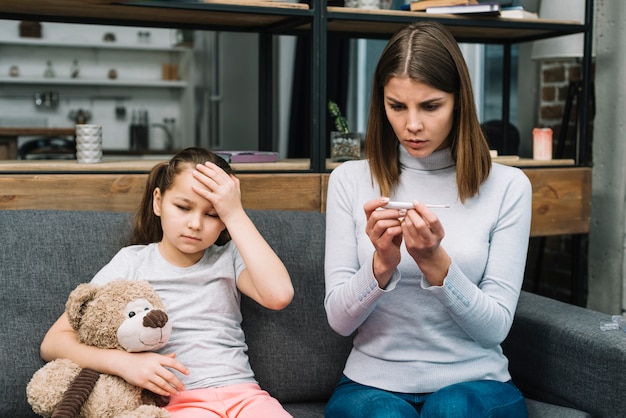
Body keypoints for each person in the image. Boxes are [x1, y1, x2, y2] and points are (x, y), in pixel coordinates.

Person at [324, 21, 531, 418]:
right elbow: (339, 320)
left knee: (452, 409)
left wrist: (435, 263)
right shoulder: (349, 181)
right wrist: (381, 264)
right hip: (371, 382)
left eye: (430, 106)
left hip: (477, 382)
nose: (412, 125)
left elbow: (495, 329)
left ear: (459, 101)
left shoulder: (508, 187)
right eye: (396, 106)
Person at [41, 147, 294, 417]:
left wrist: (234, 213)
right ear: (158, 201)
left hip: (246, 396)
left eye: (212, 214)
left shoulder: (230, 257)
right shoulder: (132, 262)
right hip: (180, 402)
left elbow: (278, 295)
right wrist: (123, 363)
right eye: (183, 207)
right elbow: (54, 342)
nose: (195, 223)